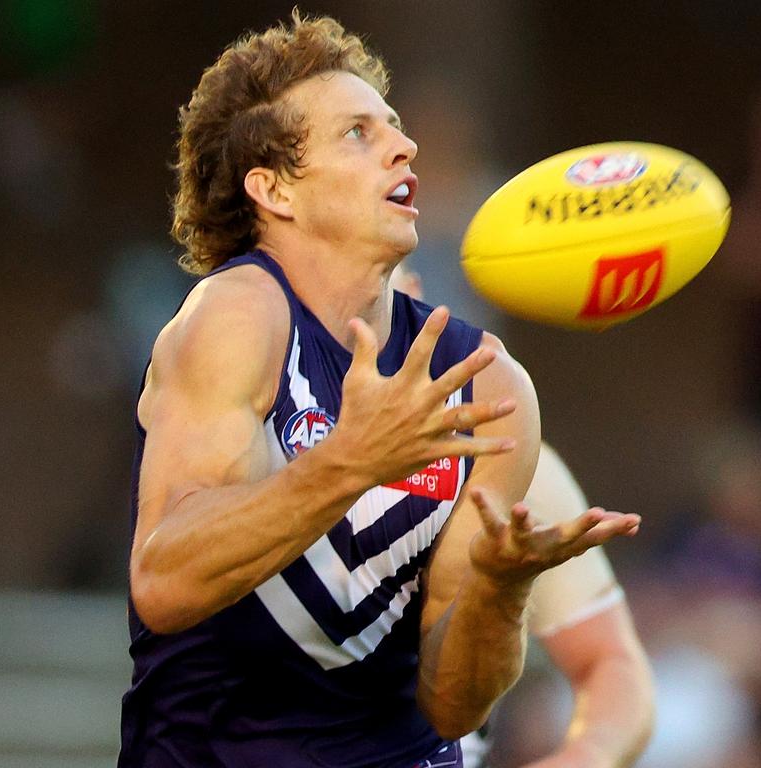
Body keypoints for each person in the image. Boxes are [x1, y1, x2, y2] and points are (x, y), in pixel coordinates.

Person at [119, 12, 641, 767]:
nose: (406, 145)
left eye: (392, 126)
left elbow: (452, 701)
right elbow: (164, 583)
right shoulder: (239, 317)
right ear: (274, 191)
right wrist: (350, 462)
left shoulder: (490, 386)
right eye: (357, 133)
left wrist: (499, 593)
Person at [391, 262, 654, 768]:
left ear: (417, 295)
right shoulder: (249, 443)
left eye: (387, 294)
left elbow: (610, 662)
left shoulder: (510, 461)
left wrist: (587, 755)